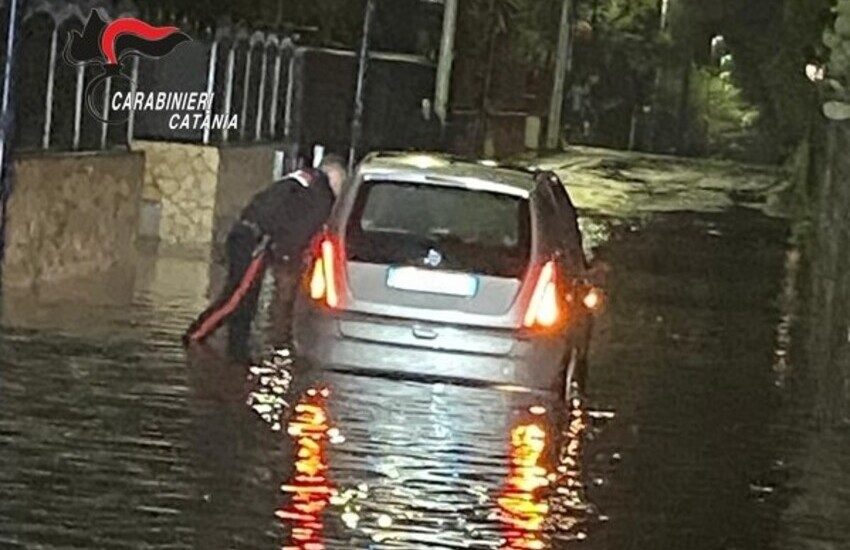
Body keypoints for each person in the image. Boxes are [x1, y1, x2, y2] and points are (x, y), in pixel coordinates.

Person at [183, 154, 348, 360]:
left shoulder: (303, 178)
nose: (340, 191)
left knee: (247, 301)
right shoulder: (321, 195)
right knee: (235, 298)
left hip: (247, 233)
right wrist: (290, 259)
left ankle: (237, 354)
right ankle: (195, 336)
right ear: (335, 176)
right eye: (341, 183)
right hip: (256, 240)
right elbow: (301, 233)